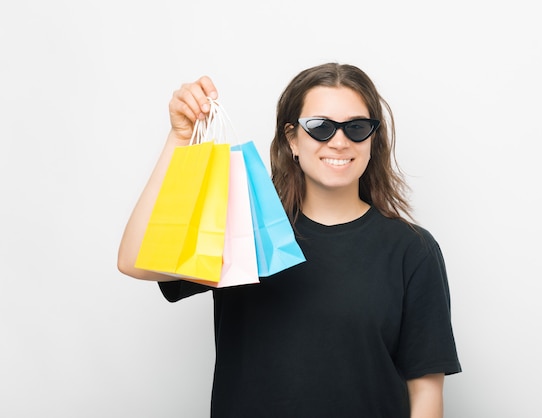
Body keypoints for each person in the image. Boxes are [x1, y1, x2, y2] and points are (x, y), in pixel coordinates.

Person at [118, 62, 461, 418]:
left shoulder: (412, 250)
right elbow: (133, 259)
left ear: (373, 140)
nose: (339, 141)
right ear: (292, 139)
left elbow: (425, 393)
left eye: (357, 128)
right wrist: (179, 139)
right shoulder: (241, 230)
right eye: (320, 127)